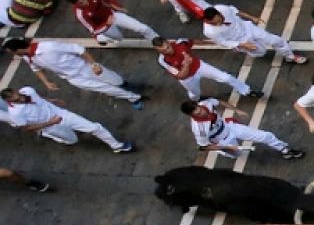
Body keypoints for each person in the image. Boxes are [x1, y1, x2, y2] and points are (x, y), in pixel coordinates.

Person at [5, 37, 143, 106]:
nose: (13, 55)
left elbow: (78, 49)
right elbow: (36, 69)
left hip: (85, 67)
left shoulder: (48, 46)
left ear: (18, 49)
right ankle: (133, 98)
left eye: (12, 52)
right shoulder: (27, 58)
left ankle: (126, 85)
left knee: (113, 79)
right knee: (105, 89)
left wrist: (93, 64)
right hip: (72, 78)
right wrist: (46, 82)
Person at [1, 86, 134, 153]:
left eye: (19, 95)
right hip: (51, 125)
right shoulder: (15, 114)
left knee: (95, 127)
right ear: (8, 101)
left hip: (62, 114)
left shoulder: (27, 90)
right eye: (17, 99)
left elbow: (38, 98)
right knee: (72, 140)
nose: (21, 98)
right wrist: (50, 123)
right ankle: (49, 134)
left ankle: (117, 146)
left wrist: (52, 100)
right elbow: (27, 129)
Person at [184, 98, 303, 160]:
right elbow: (203, 146)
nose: (202, 113)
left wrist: (236, 110)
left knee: (266, 135)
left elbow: (219, 102)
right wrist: (226, 147)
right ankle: (223, 152)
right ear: (192, 115)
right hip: (223, 140)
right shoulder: (199, 130)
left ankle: (284, 149)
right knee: (237, 154)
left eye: (200, 109)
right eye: (198, 113)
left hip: (229, 127)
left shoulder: (205, 104)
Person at [202, 5, 309, 66]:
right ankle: (248, 51)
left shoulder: (222, 8)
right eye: (216, 22)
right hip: (241, 40)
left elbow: (237, 12)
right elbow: (223, 42)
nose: (219, 22)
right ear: (209, 21)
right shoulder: (209, 31)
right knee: (261, 52)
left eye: (220, 19)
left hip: (248, 28)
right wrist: (242, 45)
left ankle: (290, 56)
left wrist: (252, 17)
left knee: (275, 40)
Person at [153, 36, 253, 100]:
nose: (167, 51)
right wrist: (186, 64)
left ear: (168, 42)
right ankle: (196, 100)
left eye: (168, 47)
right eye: (163, 51)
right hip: (188, 79)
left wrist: (213, 42)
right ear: (158, 51)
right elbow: (181, 76)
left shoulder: (180, 43)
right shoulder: (163, 61)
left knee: (226, 77)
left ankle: (246, 91)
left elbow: (193, 41)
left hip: (200, 66)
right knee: (195, 94)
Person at [67, 0, 157, 47]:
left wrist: (116, 6)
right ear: (75, 4)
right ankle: (102, 39)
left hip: (113, 15)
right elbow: (93, 29)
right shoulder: (80, 15)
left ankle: (157, 41)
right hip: (103, 27)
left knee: (142, 28)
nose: (85, 2)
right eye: (81, 3)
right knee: (119, 39)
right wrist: (106, 24)